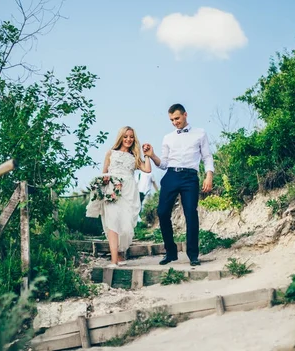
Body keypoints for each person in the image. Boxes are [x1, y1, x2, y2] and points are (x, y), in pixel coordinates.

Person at [143, 104, 214, 266]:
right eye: (171, 120)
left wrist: (208, 175)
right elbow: (164, 164)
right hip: (171, 175)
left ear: (185, 115)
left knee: (191, 213)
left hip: (190, 177)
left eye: (177, 118)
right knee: (162, 212)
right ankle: (171, 252)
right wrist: (152, 155)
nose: (175, 122)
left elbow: (207, 157)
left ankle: (193, 254)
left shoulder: (200, 133)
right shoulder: (168, 138)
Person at [86, 126, 152, 267]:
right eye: (125, 136)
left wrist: (146, 154)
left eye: (131, 137)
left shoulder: (134, 157)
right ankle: (114, 260)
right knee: (112, 222)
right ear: (120, 137)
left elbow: (147, 169)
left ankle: (121, 254)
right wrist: (103, 183)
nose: (128, 139)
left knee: (126, 225)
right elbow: (104, 173)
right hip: (112, 190)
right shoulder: (111, 153)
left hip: (128, 191)